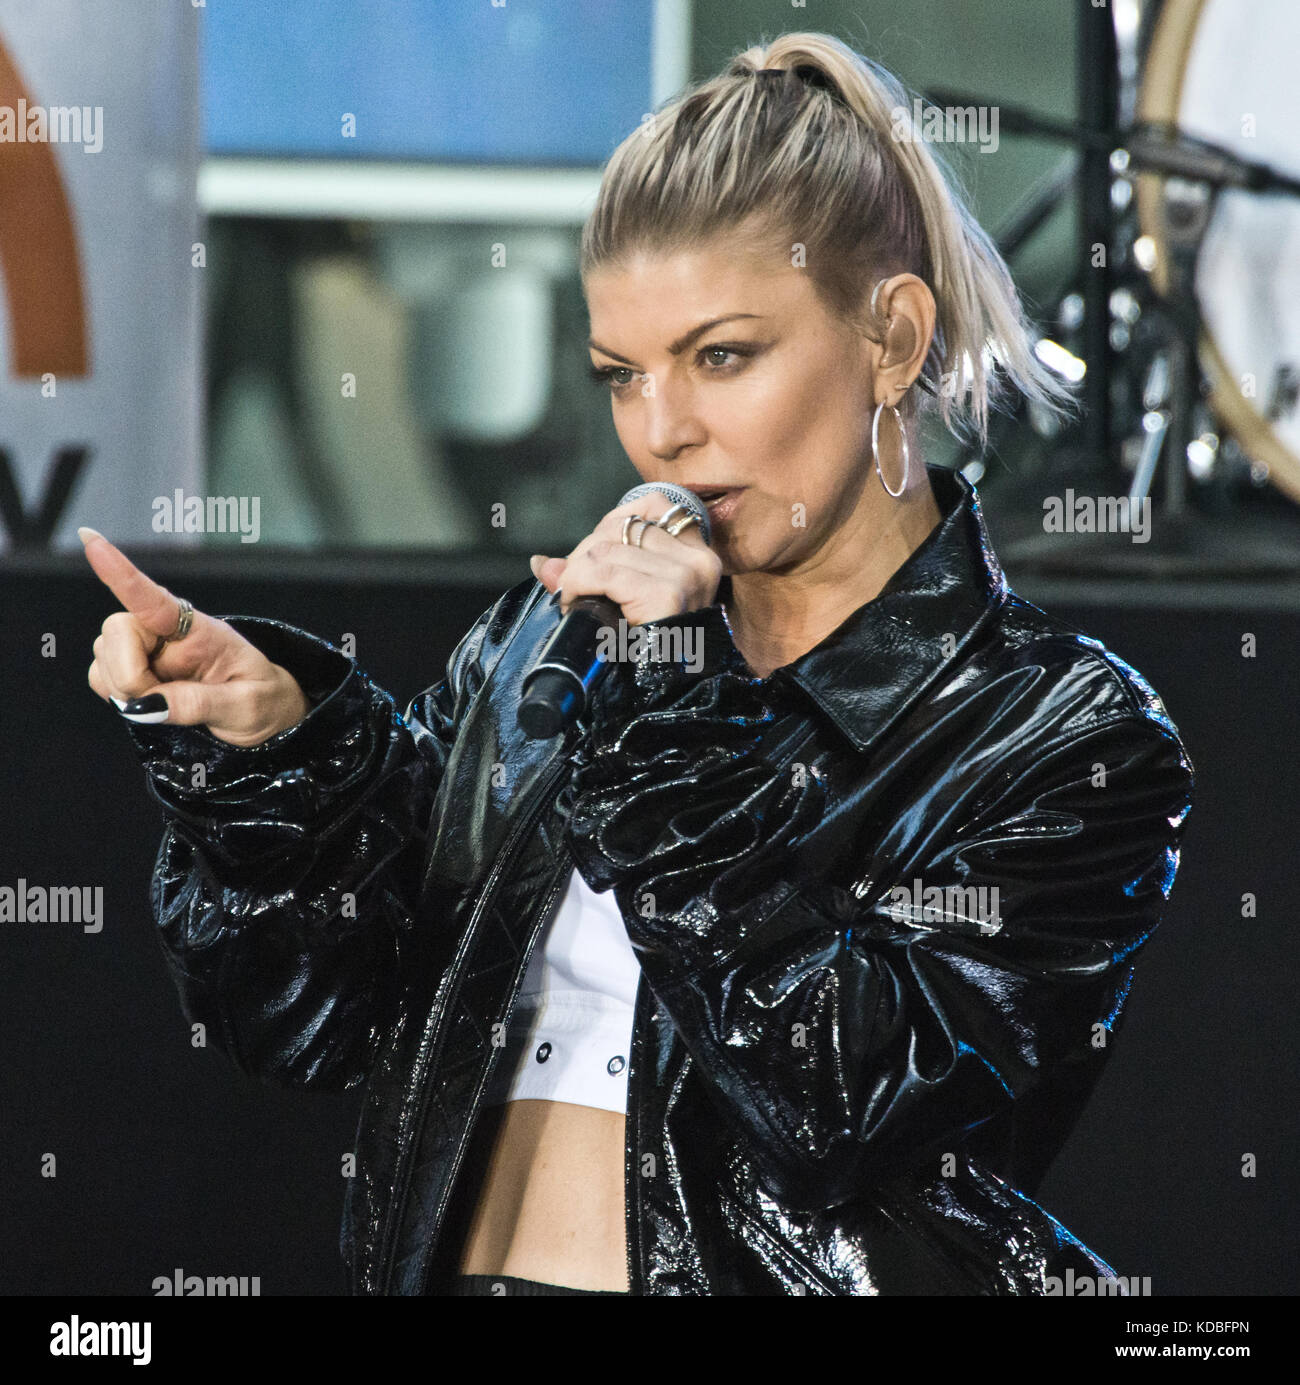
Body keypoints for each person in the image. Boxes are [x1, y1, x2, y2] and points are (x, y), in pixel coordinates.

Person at [82, 33, 1194, 1295]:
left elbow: (841, 1102)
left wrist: (666, 693)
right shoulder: (544, 640)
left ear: (890, 335)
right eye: (622, 374)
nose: (661, 431)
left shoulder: (1057, 728)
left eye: (722, 355)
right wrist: (273, 755)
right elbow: (302, 1022)